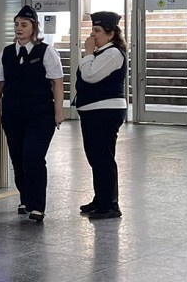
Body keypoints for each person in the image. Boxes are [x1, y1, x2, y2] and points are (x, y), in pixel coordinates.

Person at [0, 5, 64, 223]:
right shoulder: (7, 53)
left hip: (40, 114)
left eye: (24, 24)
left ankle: (37, 205)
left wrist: (58, 111)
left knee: (33, 156)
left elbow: (57, 83)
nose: (19, 28)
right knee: (18, 158)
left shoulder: (46, 52)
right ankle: (25, 198)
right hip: (13, 113)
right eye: (17, 24)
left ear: (34, 27)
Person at [75, 11, 128, 220]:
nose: (93, 35)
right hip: (93, 110)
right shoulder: (101, 53)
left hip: (104, 111)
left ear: (111, 33)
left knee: (103, 158)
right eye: (92, 30)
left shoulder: (112, 53)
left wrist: (88, 53)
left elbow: (90, 75)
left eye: (97, 31)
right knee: (96, 157)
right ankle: (101, 198)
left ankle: (109, 204)